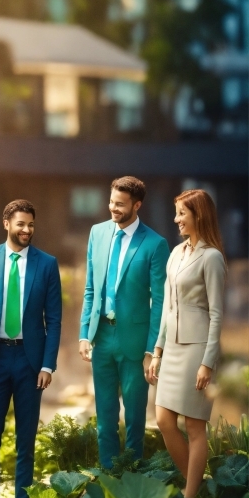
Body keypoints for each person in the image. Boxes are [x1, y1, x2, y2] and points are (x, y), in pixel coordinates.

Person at [0, 199, 62, 498]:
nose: (26, 230)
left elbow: (55, 319)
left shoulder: (46, 264)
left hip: (30, 362)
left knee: (25, 444)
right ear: (6, 223)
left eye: (31, 224)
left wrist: (48, 364)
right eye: (21, 223)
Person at [79, 176, 170, 469]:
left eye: (120, 204)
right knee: (105, 417)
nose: (113, 208)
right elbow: (90, 288)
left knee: (134, 417)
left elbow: (160, 303)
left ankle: (131, 478)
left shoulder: (156, 244)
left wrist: (151, 350)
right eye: (111, 202)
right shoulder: (98, 233)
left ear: (137, 204)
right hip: (101, 336)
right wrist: (84, 334)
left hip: (134, 341)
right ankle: (108, 478)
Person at [149, 190, 226, 498]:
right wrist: (157, 351)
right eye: (176, 212)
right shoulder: (176, 253)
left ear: (199, 216)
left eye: (182, 213)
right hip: (172, 350)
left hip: (197, 348)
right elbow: (167, 305)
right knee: (164, 420)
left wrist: (208, 362)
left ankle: (190, 497)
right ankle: (198, 486)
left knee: (195, 426)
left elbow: (218, 314)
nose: (176, 218)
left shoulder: (212, 257)